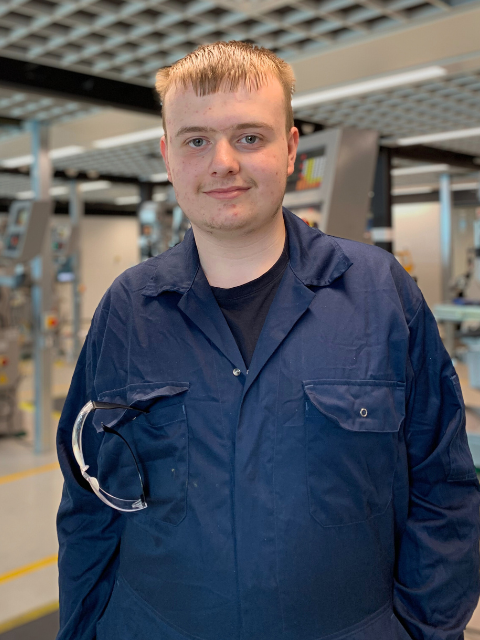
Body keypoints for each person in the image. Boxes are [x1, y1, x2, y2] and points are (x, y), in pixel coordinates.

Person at [56, 41, 480, 640]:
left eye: (249, 138)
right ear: (168, 156)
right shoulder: (129, 308)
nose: (223, 162)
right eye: (196, 140)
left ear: (290, 151)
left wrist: (422, 632)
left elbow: (445, 489)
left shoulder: (380, 295)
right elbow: (87, 503)